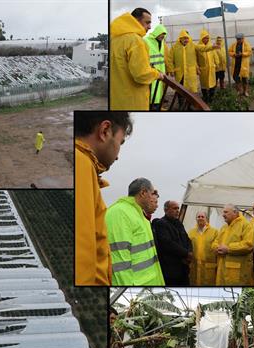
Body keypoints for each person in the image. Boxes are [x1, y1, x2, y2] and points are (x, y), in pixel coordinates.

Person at [75, 112, 132, 286]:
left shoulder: (85, 165)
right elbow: (82, 256)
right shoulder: (82, 165)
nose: (117, 156)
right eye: (120, 142)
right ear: (105, 131)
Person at [105, 177, 164, 286]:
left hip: (150, 282)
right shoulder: (119, 213)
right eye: (152, 194)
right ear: (143, 193)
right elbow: (119, 262)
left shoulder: (139, 215)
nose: (153, 198)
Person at [110, 8, 164, 110]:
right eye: (147, 23)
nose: (150, 26)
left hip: (117, 99)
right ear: (135, 21)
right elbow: (142, 74)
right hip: (134, 101)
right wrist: (157, 74)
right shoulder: (136, 41)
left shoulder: (115, 40)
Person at [152, 201, 193, 286]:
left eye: (178, 208)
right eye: (175, 208)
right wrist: (186, 253)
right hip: (170, 270)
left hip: (183, 268)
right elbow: (168, 244)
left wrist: (190, 253)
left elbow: (188, 239)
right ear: (166, 210)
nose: (177, 210)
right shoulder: (161, 224)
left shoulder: (179, 224)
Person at [211, 204, 253, 285]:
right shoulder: (224, 228)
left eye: (226, 212)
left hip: (237, 272)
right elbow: (215, 242)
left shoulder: (245, 225)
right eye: (223, 212)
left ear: (235, 212)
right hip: (221, 270)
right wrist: (216, 248)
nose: (223, 215)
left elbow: (248, 245)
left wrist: (228, 249)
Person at [188, 211, 219, 286]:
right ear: (196, 219)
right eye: (198, 217)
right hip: (194, 266)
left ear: (207, 219)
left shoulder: (215, 232)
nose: (200, 218)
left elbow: (217, 247)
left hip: (209, 266)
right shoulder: (191, 232)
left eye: (202, 217)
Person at [144, 24, 168, 110]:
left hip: (160, 72)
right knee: (151, 92)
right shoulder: (146, 40)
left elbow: (162, 58)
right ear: (156, 32)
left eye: (164, 34)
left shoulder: (162, 42)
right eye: (161, 33)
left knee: (158, 92)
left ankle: (156, 107)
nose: (163, 36)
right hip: (150, 72)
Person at [197, 29, 219, 103]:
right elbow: (196, 59)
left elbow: (214, 55)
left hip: (211, 68)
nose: (206, 39)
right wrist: (197, 68)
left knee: (212, 84)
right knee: (204, 85)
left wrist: (217, 64)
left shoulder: (211, 46)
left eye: (207, 38)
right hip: (203, 70)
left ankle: (211, 98)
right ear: (201, 38)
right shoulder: (198, 47)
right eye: (204, 38)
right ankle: (205, 97)